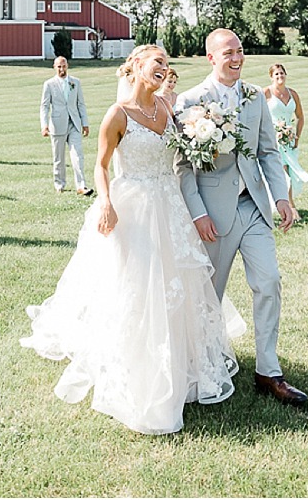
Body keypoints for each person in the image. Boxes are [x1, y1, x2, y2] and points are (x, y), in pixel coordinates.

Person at [22, 45, 239, 435]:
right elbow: (101, 165)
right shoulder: (117, 115)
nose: (164, 69)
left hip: (169, 207)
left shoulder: (168, 112)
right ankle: (136, 368)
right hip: (133, 208)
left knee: (178, 288)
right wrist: (105, 202)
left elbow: (182, 161)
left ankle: (182, 368)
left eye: (167, 65)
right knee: (137, 287)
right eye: (158, 63)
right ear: (136, 67)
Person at [175, 28, 308, 407]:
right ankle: (203, 366)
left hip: (254, 207)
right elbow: (182, 168)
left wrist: (281, 198)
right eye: (229, 52)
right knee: (208, 296)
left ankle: (269, 371)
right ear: (211, 58)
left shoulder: (254, 96)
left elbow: (267, 151)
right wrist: (198, 214)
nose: (237, 58)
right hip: (213, 216)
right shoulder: (190, 100)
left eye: (241, 51)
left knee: (269, 281)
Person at [264, 62, 308, 222]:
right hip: (272, 140)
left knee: (290, 172)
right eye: (276, 74)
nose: (280, 76)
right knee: (283, 174)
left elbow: (300, 116)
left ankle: (285, 205)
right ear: (271, 77)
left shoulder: (293, 94)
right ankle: (290, 207)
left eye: (282, 73)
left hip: (288, 141)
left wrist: (296, 137)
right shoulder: (266, 93)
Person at [39, 56, 93, 195]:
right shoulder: (49, 84)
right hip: (57, 125)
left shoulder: (75, 82)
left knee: (77, 155)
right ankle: (59, 184)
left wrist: (85, 123)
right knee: (59, 158)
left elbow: (80, 103)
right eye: (59, 67)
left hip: (74, 123)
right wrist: (44, 125)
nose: (62, 69)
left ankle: (81, 185)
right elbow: (44, 106)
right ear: (54, 67)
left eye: (64, 66)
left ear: (67, 66)